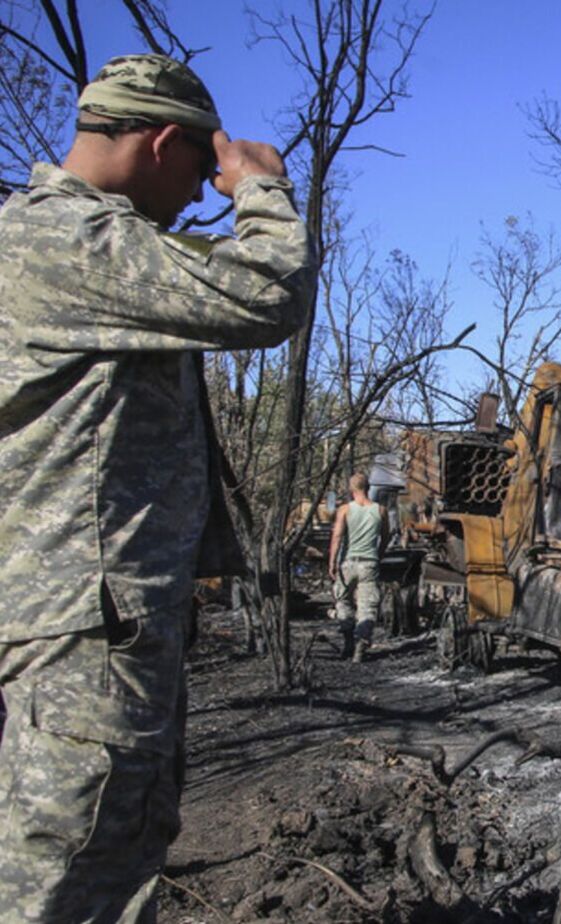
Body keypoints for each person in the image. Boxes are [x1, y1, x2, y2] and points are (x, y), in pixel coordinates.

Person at [0, 54, 314, 922]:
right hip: (85, 635)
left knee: (107, 854)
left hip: (91, 624)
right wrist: (259, 188)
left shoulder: (66, 247)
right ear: (163, 142)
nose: (196, 197)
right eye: (194, 176)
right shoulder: (69, 242)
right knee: (70, 879)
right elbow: (266, 291)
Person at [329, 472, 387, 662]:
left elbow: (337, 537)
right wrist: (379, 554)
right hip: (369, 563)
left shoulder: (345, 510)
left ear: (351, 489)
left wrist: (332, 562)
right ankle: (361, 645)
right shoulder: (380, 510)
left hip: (348, 563)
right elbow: (386, 536)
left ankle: (348, 640)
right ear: (368, 488)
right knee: (367, 605)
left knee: (342, 600)